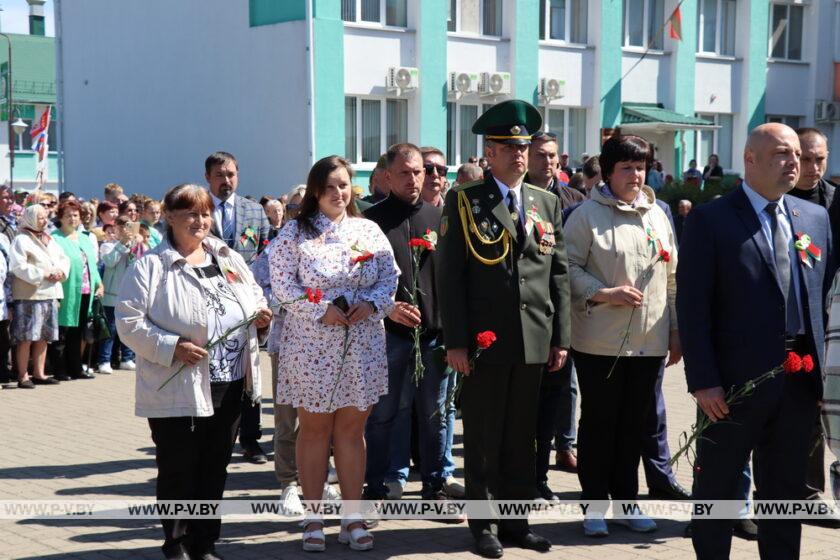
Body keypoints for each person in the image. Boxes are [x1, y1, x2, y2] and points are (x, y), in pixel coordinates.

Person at [678, 123, 831, 559]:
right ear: (750, 159)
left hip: (798, 382)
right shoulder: (712, 220)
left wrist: (822, 380)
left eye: (797, 156)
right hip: (731, 386)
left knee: (783, 492)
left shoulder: (813, 218)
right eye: (783, 154)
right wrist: (703, 380)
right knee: (718, 489)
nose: (794, 164)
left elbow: (819, 302)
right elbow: (693, 307)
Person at [438, 100, 571, 557]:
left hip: (533, 338)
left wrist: (561, 338)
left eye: (523, 147)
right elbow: (449, 277)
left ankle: (517, 523)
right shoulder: (465, 201)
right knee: (482, 435)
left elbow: (558, 275)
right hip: (484, 342)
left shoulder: (545, 201)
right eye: (508, 148)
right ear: (488, 153)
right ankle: (484, 525)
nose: (519, 155)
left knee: (523, 435)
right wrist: (455, 341)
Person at [117, 183, 271, 560]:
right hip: (179, 385)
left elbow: (255, 296)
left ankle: (204, 543)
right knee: (178, 468)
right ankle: (177, 544)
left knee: (214, 467)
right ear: (169, 217)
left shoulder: (226, 256)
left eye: (205, 213)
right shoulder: (150, 266)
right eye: (191, 214)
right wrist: (173, 347)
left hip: (230, 382)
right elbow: (128, 323)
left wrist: (261, 319)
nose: (200, 220)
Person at [270, 155, 398, 551]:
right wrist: (318, 309)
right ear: (314, 191)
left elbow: (389, 277)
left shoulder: (369, 229)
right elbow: (282, 285)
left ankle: (352, 516)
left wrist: (373, 304)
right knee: (314, 430)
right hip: (312, 344)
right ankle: (313, 518)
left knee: (351, 431)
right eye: (329, 187)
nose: (337, 193)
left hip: (361, 343)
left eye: (343, 185)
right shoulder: (295, 233)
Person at [563, 135, 681, 537]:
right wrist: (604, 292)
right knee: (599, 425)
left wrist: (676, 331)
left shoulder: (658, 215)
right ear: (609, 172)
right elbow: (568, 269)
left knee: (635, 425)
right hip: (599, 341)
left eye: (641, 166)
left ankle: (628, 501)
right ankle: (594, 506)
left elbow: (672, 278)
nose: (635, 175)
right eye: (627, 167)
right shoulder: (584, 215)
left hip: (650, 341)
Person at [362, 143, 462, 511]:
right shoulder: (370, 222)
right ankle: (377, 486)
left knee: (435, 414)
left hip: (434, 337)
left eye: (419, 171)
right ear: (387, 176)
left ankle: (435, 485)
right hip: (388, 337)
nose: (414, 179)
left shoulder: (440, 219)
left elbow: (452, 280)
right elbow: (358, 281)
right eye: (404, 172)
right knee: (386, 414)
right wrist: (387, 309)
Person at [205, 151, 270, 464]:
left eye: (230, 174)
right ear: (208, 178)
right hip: (210, 305)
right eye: (219, 175)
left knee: (249, 373)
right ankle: (215, 435)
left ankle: (251, 439)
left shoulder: (253, 211)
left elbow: (265, 253)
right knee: (214, 372)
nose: (226, 181)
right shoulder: (199, 211)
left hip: (246, 304)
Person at [9, 204, 69, 389]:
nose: (44, 221)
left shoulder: (49, 239)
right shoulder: (21, 239)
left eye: (45, 217)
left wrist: (60, 272)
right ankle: (22, 375)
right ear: (30, 217)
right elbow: (18, 266)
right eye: (40, 217)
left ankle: (39, 373)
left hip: (49, 293)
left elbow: (62, 259)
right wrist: (43, 273)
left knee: (44, 336)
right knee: (26, 337)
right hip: (30, 295)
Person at [51, 200, 104, 380]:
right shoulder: (55, 238)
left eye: (75, 215)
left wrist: (99, 283)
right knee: (62, 331)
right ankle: (59, 369)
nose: (72, 219)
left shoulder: (84, 238)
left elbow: (93, 265)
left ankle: (76, 368)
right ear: (60, 218)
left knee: (78, 331)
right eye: (68, 215)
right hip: (66, 291)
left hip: (86, 291)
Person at [526, 132, 585, 212]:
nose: (547, 161)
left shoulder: (575, 199)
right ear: (527, 158)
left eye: (551, 155)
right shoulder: (515, 197)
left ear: (557, 159)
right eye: (541, 155)